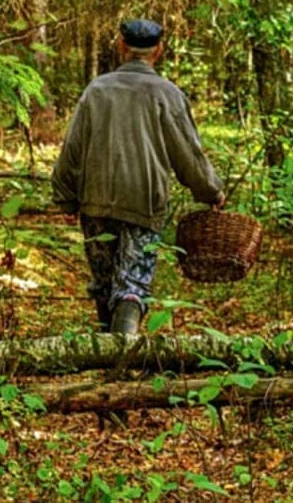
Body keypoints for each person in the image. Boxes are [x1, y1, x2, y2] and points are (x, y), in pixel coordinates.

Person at [51, 19, 225, 335]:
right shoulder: (167, 94)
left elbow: (73, 148)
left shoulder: (97, 90)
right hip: (144, 205)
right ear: (158, 50)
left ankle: (107, 356)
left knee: (104, 284)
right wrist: (211, 191)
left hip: (96, 202)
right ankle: (119, 361)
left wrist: (65, 197)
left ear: (120, 46)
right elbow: (188, 153)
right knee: (132, 283)